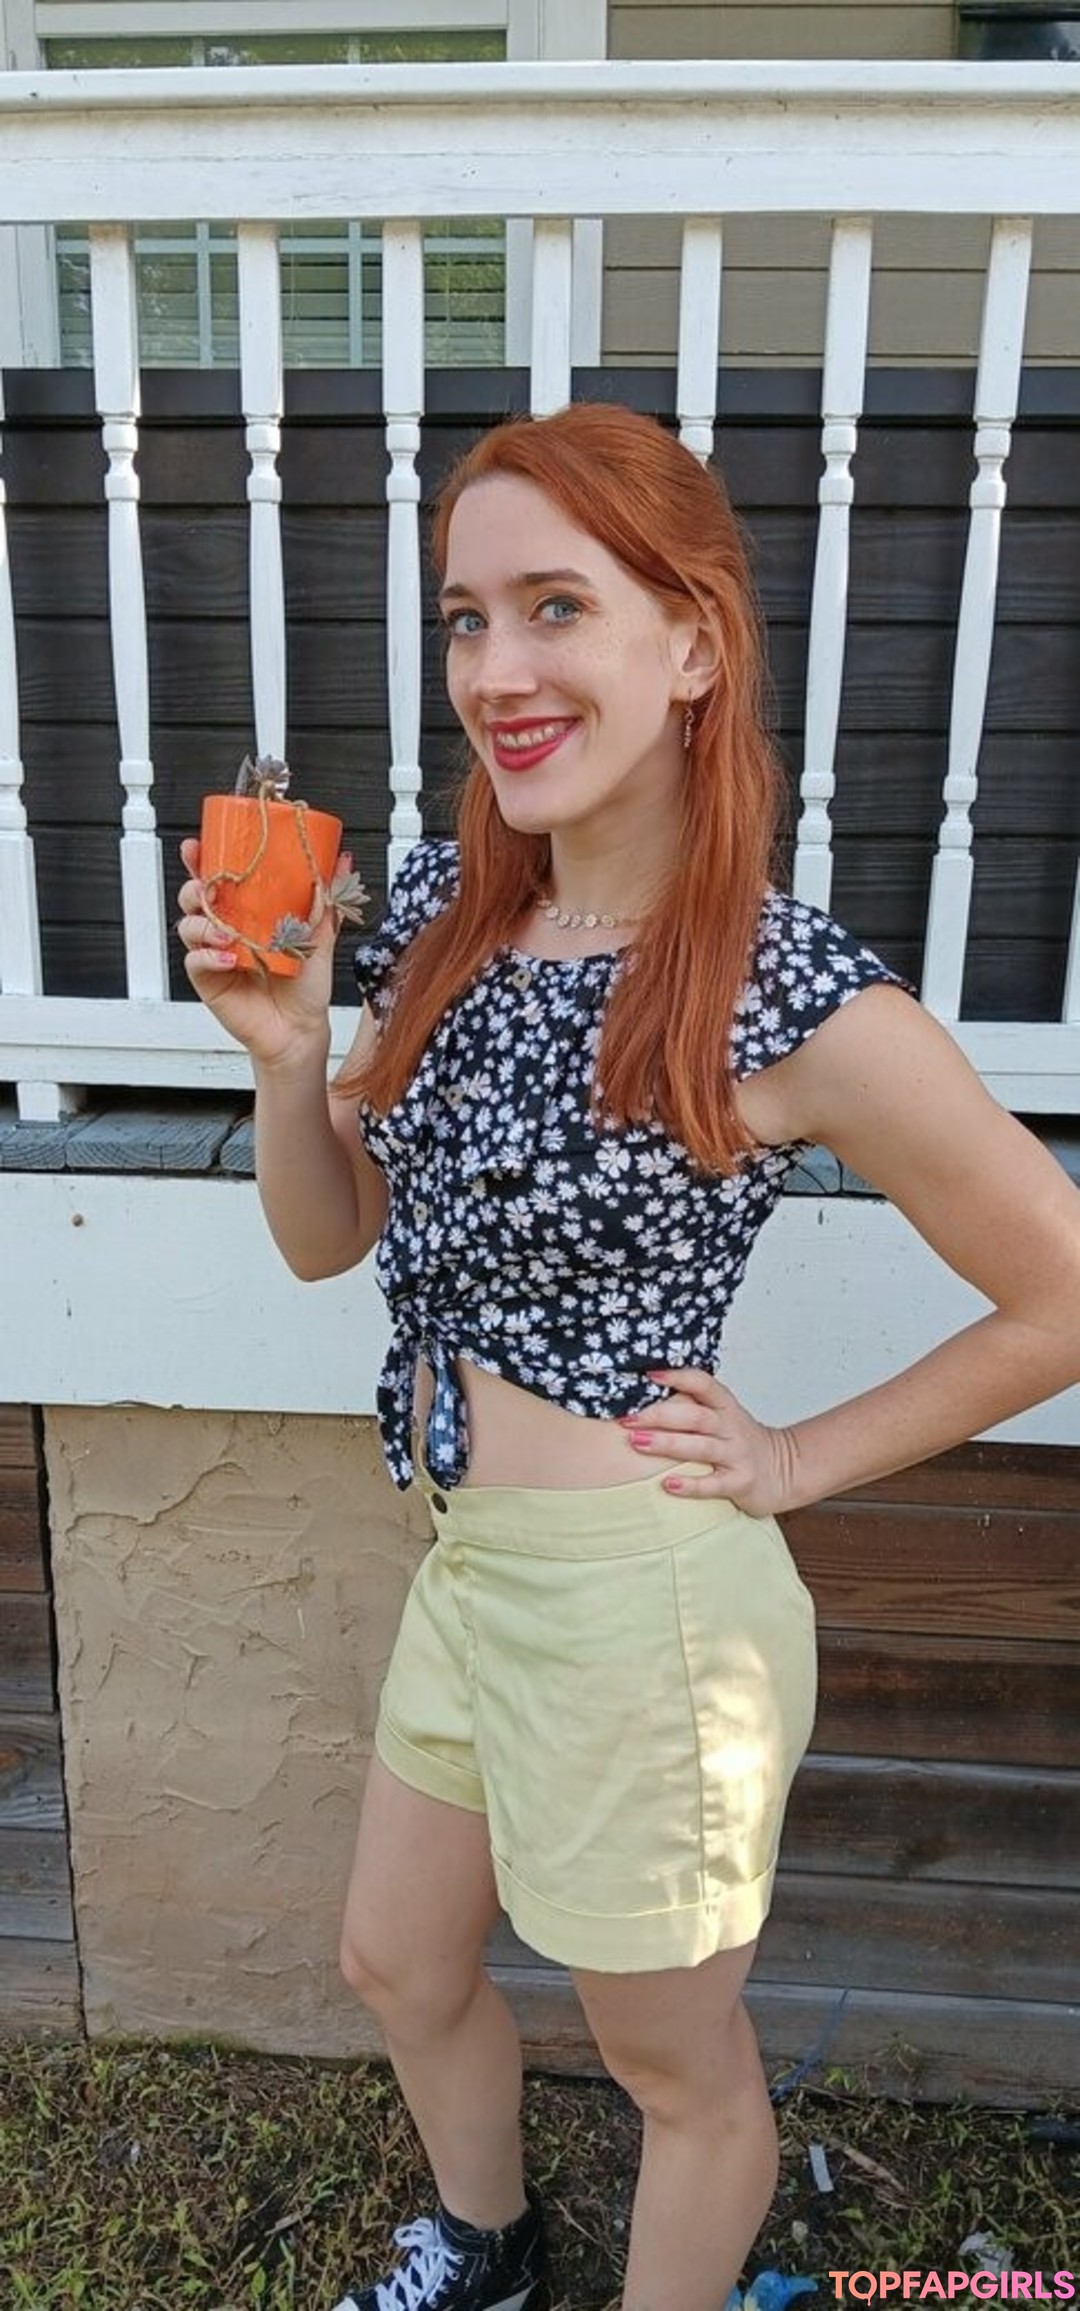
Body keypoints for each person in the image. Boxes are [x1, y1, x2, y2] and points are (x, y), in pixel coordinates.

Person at [177, 402, 1080, 2311]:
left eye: (556, 607)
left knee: (675, 2068)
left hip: (641, 1615)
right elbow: (331, 1238)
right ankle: (488, 2249)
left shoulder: (780, 986)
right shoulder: (446, 919)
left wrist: (800, 1459)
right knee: (396, 1963)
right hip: (467, 1566)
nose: (495, 670)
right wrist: (290, 1060)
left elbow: (1061, 1292)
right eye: (466, 618)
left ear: (692, 644)